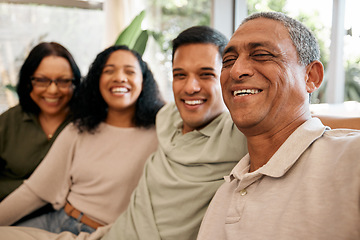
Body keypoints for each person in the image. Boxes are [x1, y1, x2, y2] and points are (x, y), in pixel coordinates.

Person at [0, 25, 359, 240]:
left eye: (206, 74)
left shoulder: (238, 131)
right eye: (179, 75)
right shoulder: (162, 120)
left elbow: (291, 119)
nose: (190, 87)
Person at [197, 12, 360, 240]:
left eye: (261, 55)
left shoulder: (352, 158)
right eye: (228, 61)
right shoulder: (224, 194)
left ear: (311, 76)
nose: (236, 70)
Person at [0, 45, 165, 235]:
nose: (119, 77)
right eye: (109, 71)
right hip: (58, 219)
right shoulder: (79, 128)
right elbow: (35, 191)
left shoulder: (162, 132)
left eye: (130, 71)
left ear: (144, 81)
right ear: (97, 81)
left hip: (103, 232)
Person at [0, 42, 81, 201]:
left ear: (75, 83)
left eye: (63, 81)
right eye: (42, 80)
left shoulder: (87, 123)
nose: (53, 90)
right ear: (28, 82)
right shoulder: (8, 122)